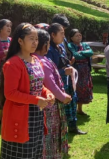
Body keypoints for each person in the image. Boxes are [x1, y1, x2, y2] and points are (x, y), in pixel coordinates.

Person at [0, 23, 55, 159]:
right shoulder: (13, 64)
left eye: (36, 39)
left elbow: (38, 85)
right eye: (31, 38)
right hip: (20, 116)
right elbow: (10, 93)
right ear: (20, 41)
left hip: (36, 115)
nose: (35, 42)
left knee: (35, 152)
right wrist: (36, 100)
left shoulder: (35, 60)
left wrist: (47, 93)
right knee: (22, 153)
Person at [34, 28, 71, 159]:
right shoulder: (42, 61)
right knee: (50, 136)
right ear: (45, 45)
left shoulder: (36, 59)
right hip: (49, 105)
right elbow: (50, 83)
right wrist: (62, 96)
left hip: (43, 103)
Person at [46, 23, 87, 135]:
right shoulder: (49, 50)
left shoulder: (61, 47)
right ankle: (61, 133)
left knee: (72, 102)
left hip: (68, 82)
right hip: (58, 85)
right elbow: (49, 72)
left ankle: (73, 127)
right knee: (61, 109)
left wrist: (69, 65)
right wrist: (63, 71)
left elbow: (64, 62)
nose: (64, 36)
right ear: (53, 35)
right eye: (62, 33)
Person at [68, 29, 93, 116]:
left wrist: (82, 51)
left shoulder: (84, 44)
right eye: (76, 36)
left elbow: (91, 52)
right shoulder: (70, 45)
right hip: (77, 70)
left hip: (85, 70)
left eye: (80, 35)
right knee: (76, 88)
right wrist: (83, 54)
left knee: (84, 88)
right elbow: (76, 56)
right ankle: (74, 109)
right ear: (71, 38)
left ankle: (80, 109)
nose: (79, 37)